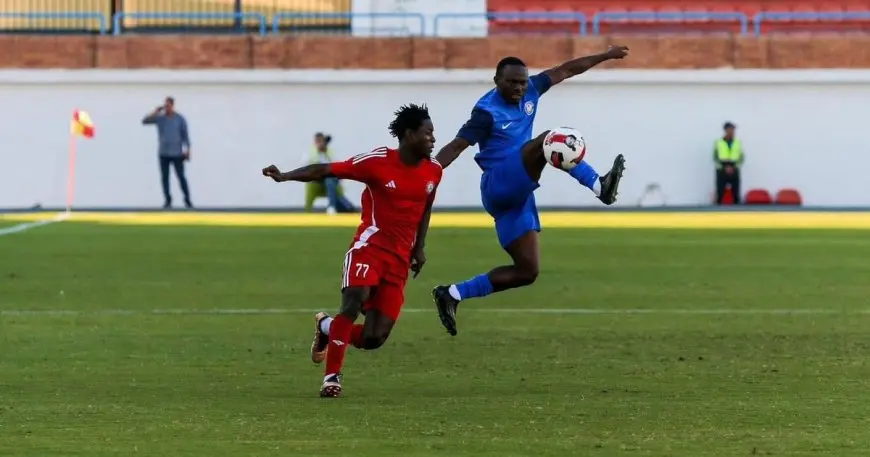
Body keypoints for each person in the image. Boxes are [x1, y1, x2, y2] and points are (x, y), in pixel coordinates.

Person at [430, 47, 630, 336]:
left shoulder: (532, 90)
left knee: (527, 271)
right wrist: (427, 172)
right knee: (549, 140)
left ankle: (452, 294)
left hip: (518, 195)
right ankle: (600, 185)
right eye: (512, 82)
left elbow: (567, 69)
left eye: (522, 82)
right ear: (497, 80)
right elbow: (457, 145)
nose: (519, 88)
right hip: (498, 183)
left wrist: (606, 55)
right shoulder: (485, 113)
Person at [261, 104, 442, 398]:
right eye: (428, 133)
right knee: (354, 301)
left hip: (398, 261)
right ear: (409, 135)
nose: (433, 139)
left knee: (374, 337)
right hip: (368, 249)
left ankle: (328, 327)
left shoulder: (433, 171)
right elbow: (327, 170)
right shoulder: (377, 162)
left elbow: (425, 207)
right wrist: (285, 176)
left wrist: (419, 247)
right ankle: (332, 378)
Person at [142, 96, 193, 209]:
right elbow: (145, 121)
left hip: (177, 153)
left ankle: (187, 199)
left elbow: (185, 136)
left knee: (181, 177)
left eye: (169, 106)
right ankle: (168, 200)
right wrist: (155, 111)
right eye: (165, 106)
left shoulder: (180, 119)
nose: (167, 108)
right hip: (163, 153)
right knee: (165, 178)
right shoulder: (160, 118)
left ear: (173, 105)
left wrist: (188, 150)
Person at [303, 132, 355, 213]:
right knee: (330, 182)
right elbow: (306, 167)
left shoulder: (330, 152)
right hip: (317, 180)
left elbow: (336, 165)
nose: (320, 143)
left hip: (330, 179)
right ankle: (344, 205)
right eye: (318, 141)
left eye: (321, 141)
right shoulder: (311, 153)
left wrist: (325, 153)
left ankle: (332, 206)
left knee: (330, 180)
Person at [714, 122, 744, 205]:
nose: (732, 131)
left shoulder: (738, 142)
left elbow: (741, 157)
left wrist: (734, 167)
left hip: (734, 168)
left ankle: (737, 213)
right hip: (722, 169)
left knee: (736, 194)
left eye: (733, 130)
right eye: (730, 129)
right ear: (725, 130)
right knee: (720, 193)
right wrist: (724, 168)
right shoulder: (718, 142)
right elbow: (715, 158)